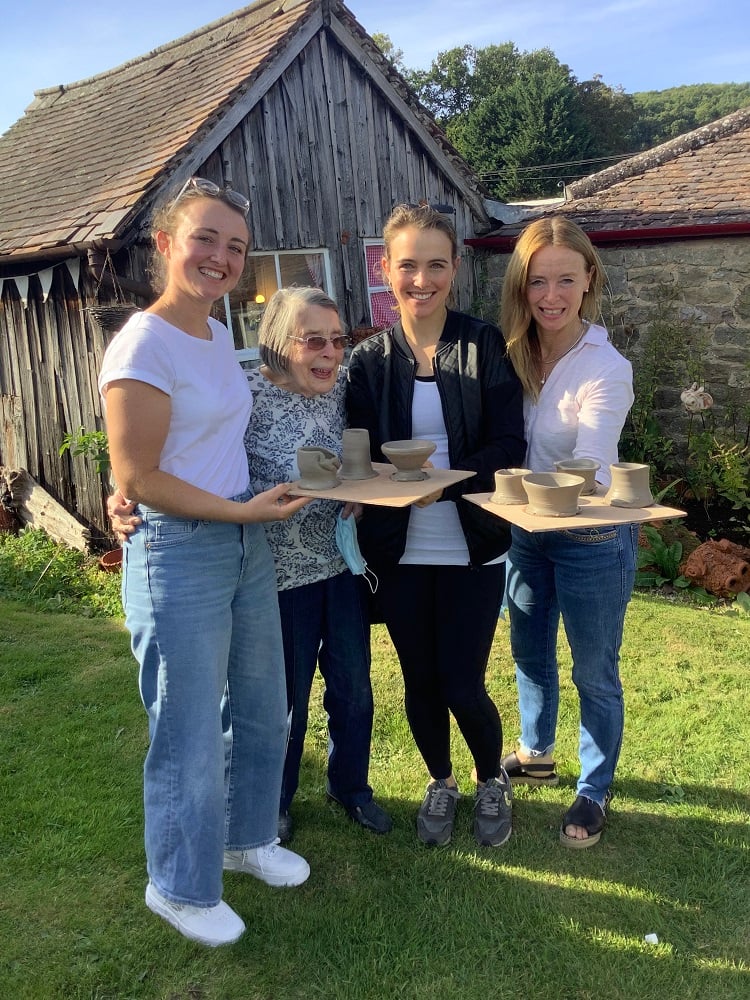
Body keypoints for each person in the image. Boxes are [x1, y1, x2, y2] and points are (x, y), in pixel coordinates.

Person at [97, 177, 311, 947]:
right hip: (180, 551)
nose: (221, 258)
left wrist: (251, 510)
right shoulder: (143, 344)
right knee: (186, 727)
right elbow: (139, 478)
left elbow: (204, 444)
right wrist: (239, 512)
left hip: (242, 538)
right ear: (164, 245)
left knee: (263, 703)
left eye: (236, 247)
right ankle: (180, 887)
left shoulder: (218, 336)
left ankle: (247, 838)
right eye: (205, 240)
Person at [346, 204, 526, 848]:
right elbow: (356, 451)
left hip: (471, 545)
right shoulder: (369, 360)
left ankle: (488, 782)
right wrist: (391, 487)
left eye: (436, 265)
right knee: (419, 680)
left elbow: (510, 444)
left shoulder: (485, 346)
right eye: (408, 265)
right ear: (387, 270)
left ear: (455, 268)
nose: (422, 279)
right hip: (397, 551)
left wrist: (444, 484)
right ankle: (442, 782)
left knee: (461, 680)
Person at [499, 215, 638, 849]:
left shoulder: (605, 367)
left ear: (589, 282)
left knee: (593, 670)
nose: (550, 295)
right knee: (529, 652)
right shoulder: (512, 353)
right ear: (521, 287)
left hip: (589, 539)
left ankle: (594, 786)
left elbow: (590, 465)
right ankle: (535, 750)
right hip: (527, 532)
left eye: (564, 280)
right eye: (537, 282)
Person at [245, 286, 391, 841]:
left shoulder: (340, 392)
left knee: (354, 690)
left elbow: (357, 459)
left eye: (338, 339)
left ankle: (350, 786)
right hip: (278, 579)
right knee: (285, 700)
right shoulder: (245, 397)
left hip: (340, 567)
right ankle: (275, 800)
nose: (331, 353)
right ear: (280, 343)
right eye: (314, 341)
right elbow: (200, 465)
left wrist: (359, 490)